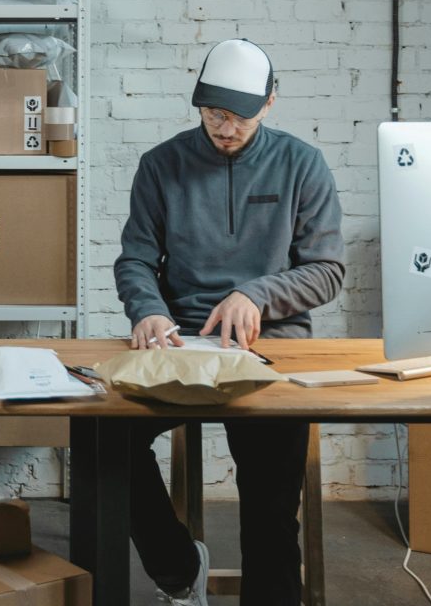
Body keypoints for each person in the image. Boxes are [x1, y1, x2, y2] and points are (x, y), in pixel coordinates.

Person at [113, 38, 345, 606]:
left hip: (270, 349)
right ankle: (177, 570)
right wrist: (148, 310)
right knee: (104, 440)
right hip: (181, 342)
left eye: (239, 115)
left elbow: (328, 270)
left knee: (269, 509)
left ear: (269, 103)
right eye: (213, 113)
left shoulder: (301, 164)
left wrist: (257, 295)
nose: (224, 127)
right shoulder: (162, 164)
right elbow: (136, 259)